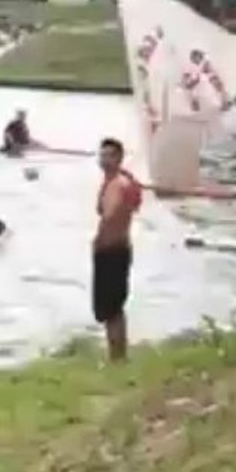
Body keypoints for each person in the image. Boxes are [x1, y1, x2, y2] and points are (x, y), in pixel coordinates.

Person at [93, 138, 142, 362]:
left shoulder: (117, 185)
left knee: (111, 308)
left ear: (119, 158)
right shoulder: (122, 181)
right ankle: (117, 355)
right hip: (119, 248)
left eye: (109, 155)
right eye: (102, 155)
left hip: (112, 249)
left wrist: (98, 241)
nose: (104, 160)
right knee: (113, 307)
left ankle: (117, 357)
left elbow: (110, 217)